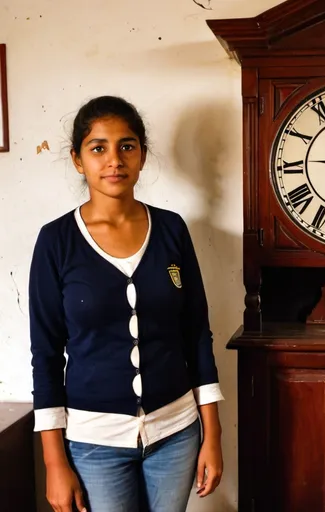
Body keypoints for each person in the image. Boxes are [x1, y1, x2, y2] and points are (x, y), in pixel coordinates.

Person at [29, 96, 224, 512]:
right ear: (78, 160)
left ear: (142, 155)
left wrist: (213, 437)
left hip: (177, 432)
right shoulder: (56, 242)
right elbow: (45, 355)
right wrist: (53, 462)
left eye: (127, 146)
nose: (114, 159)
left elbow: (197, 336)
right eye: (98, 148)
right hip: (93, 442)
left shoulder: (171, 229)